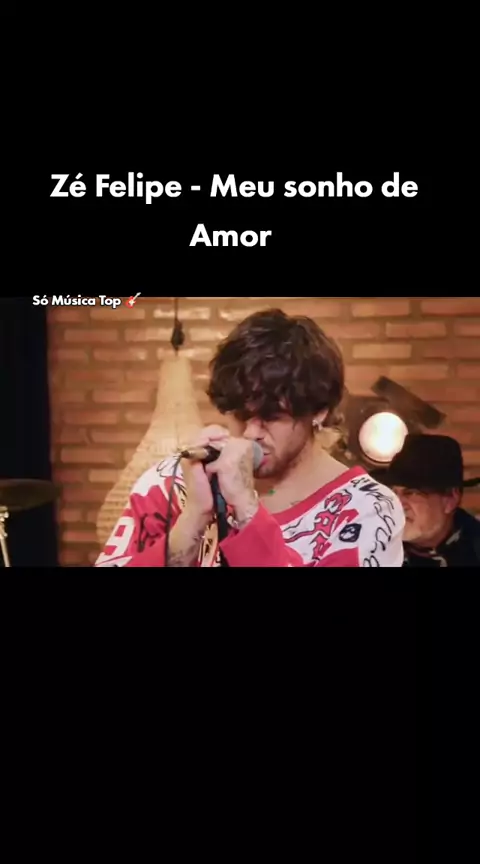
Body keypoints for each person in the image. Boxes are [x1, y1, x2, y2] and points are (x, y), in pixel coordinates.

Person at [94, 308, 405, 567]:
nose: (252, 433)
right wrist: (193, 519)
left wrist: (246, 509)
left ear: (319, 411)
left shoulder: (369, 509)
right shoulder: (172, 480)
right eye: (241, 415)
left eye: (272, 416)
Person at [374, 434, 480, 567]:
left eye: (411, 492)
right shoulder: (369, 549)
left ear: (451, 499)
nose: (397, 504)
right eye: (393, 493)